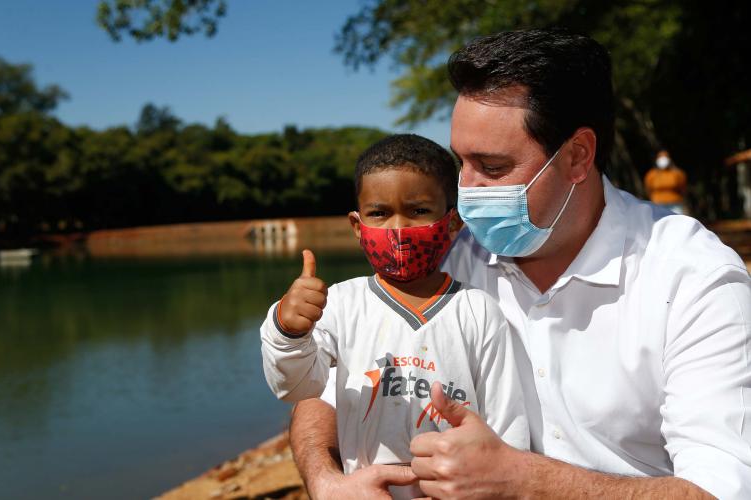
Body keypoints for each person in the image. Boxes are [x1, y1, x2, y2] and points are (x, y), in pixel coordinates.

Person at [289, 29, 751, 499]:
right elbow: (329, 383)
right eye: (459, 164)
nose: (466, 192)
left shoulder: (694, 280)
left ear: (577, 156)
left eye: (491, 168)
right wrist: (326, 480)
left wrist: (523, 480)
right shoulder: (449, 258)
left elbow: (719, 491)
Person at [260, 134, 529, 499]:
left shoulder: (479, 311)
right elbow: (295, 386)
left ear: (453, 224)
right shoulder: (339, 304)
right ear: (358, 226)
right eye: (379, 213)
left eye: (418, 211)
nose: (398, 230)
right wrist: (288, 329)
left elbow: (508, 427)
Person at [644, 150, 688, 214]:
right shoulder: (651, 174)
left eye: (665, 157)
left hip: (675, 204)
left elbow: (683, 188)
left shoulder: (677, 173)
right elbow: (648, 189)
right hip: (658, 204)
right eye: (660, 157)